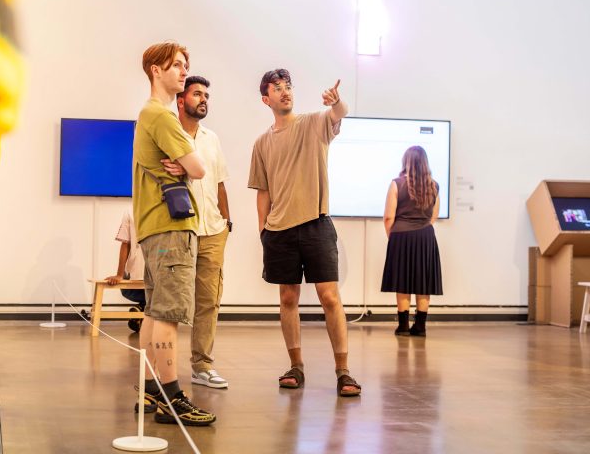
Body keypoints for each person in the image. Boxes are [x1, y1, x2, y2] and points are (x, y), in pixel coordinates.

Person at [248, 68, 361, 397]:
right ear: (265, 99)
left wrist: (337, 101)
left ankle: (343, 371)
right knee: (287, 299)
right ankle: (296, 366)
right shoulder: (261, 143)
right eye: (277, 88)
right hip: (279, 231)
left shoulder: (314, 123)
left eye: (288, 86)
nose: (285, 92)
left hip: (316, 224)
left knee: (330, 297)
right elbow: (263, 191)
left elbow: (339, 114)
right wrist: (263, 232)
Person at [132, 41, 216, 426]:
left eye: (185, 65)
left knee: (154, 311)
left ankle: (152, 389)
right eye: (177, 66)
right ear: (156, 70)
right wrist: (187, 165)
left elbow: (190, 166)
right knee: (168, 314)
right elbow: (198, 166)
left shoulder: (147, 114)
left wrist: (185, 165)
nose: (184, 72)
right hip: (171, 228)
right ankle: (172, 397)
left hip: (154, 228)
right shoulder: (162, 117)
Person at [174, 76, 231, 389]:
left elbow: (220, 182)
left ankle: (202, 366)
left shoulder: (212, 138)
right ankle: (161, 367)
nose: (203, 99)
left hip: (213, 230)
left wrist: (227, 221)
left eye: (206, 94)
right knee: (172, 303)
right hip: (179, 231)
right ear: (181, 100)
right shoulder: (169, 133)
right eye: (197, 94)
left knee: (208, 301)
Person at [381, 145, 443, 337]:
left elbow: (388, 217)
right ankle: (420, 326)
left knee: (403, 281)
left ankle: (403, 326)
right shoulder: (434, 185)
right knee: (423, 282)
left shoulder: (396, 184)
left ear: (405, 161)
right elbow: (434, 216)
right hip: (425, 236)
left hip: (400, 236)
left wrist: (394, 236)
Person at [104, 210, 146, 332]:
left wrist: (120, 274)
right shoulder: (131, 212)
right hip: (151, 273)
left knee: (154, 297)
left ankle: (142, 309)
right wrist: (119, 275)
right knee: (158, 298)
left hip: (139, 274)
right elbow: (125, 244)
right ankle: (143, 309)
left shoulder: (130, 211)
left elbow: (125, 244)